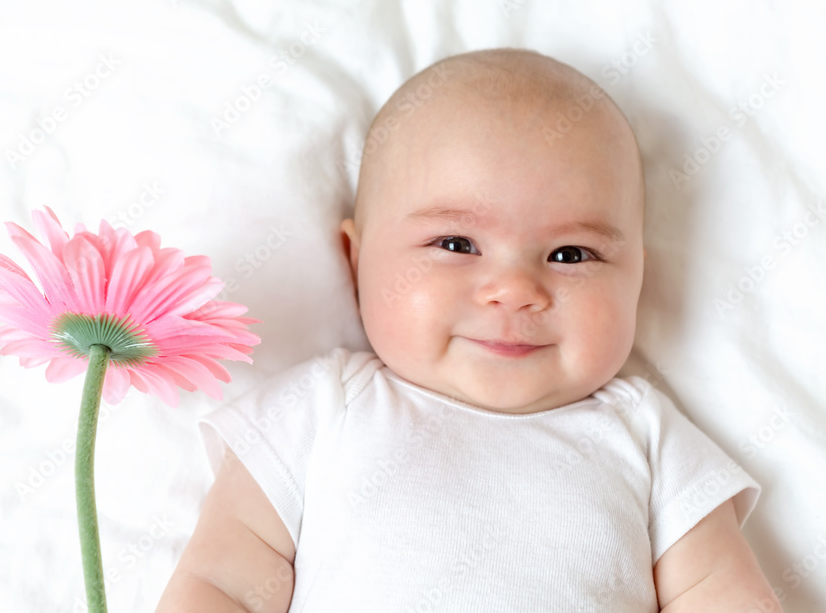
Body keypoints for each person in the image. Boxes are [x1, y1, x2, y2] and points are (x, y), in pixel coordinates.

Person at [155, 48, 781, 612]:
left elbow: (718, 593)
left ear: (640, 276)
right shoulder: (323, 408)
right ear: (356, 262)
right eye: (456, 243)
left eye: (571, 254)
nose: (514, 290)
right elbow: (223, 584)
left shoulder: (644, 433)